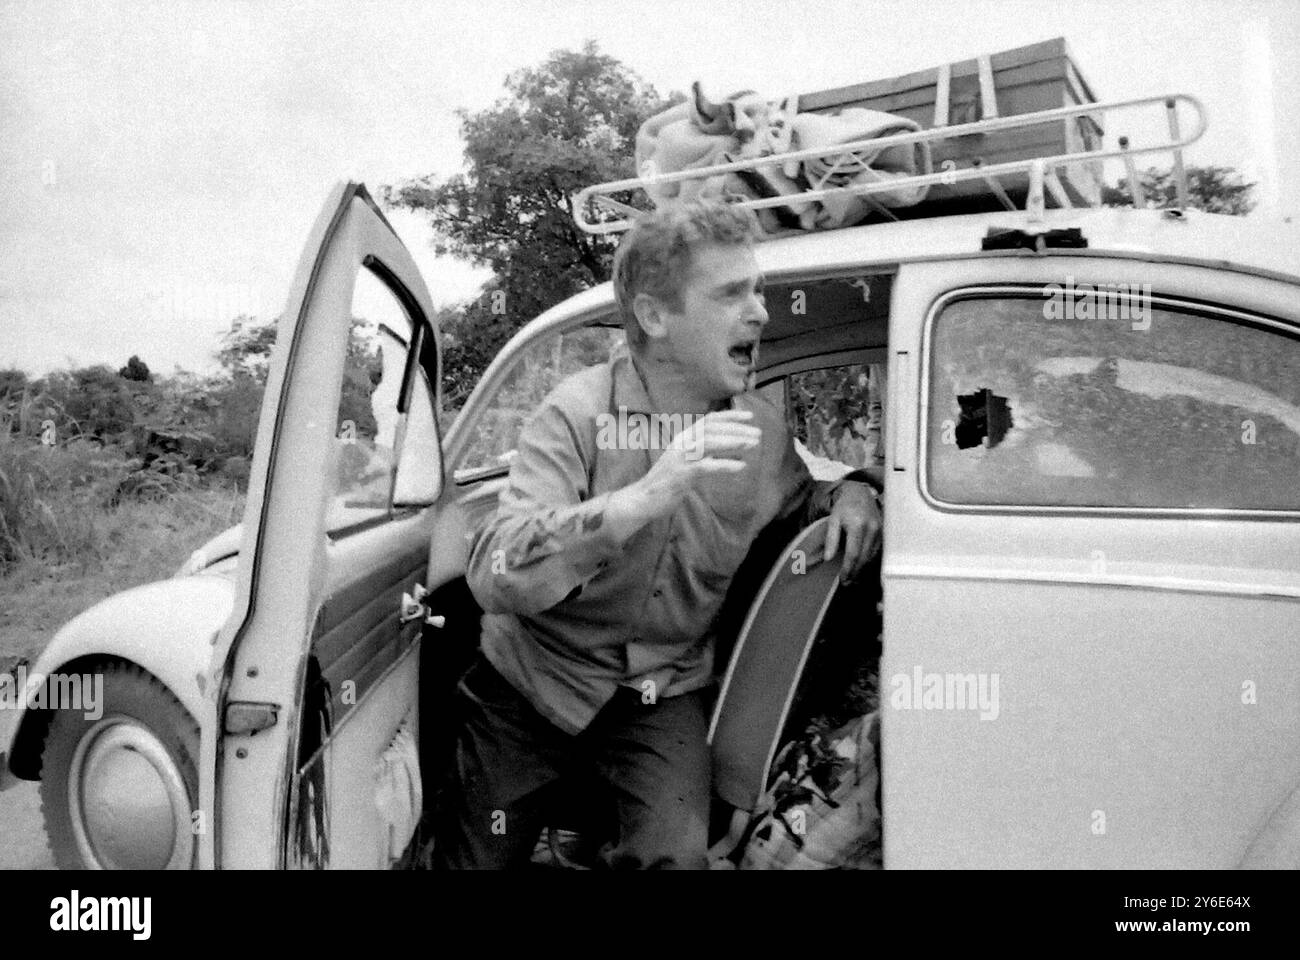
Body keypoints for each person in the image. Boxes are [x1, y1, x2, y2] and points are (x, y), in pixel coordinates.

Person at [433, 199, 882, 870]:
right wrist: (642, 499)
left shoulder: (760, 435)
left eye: (757, 291)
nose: (760, 311)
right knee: (476, 862)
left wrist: (854, 489)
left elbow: (804, 498)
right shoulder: (576, 414)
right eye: (732, 294)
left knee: (676, 858)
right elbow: (497, 572)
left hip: (659, 694)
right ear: (654, 316)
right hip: (532, 685)